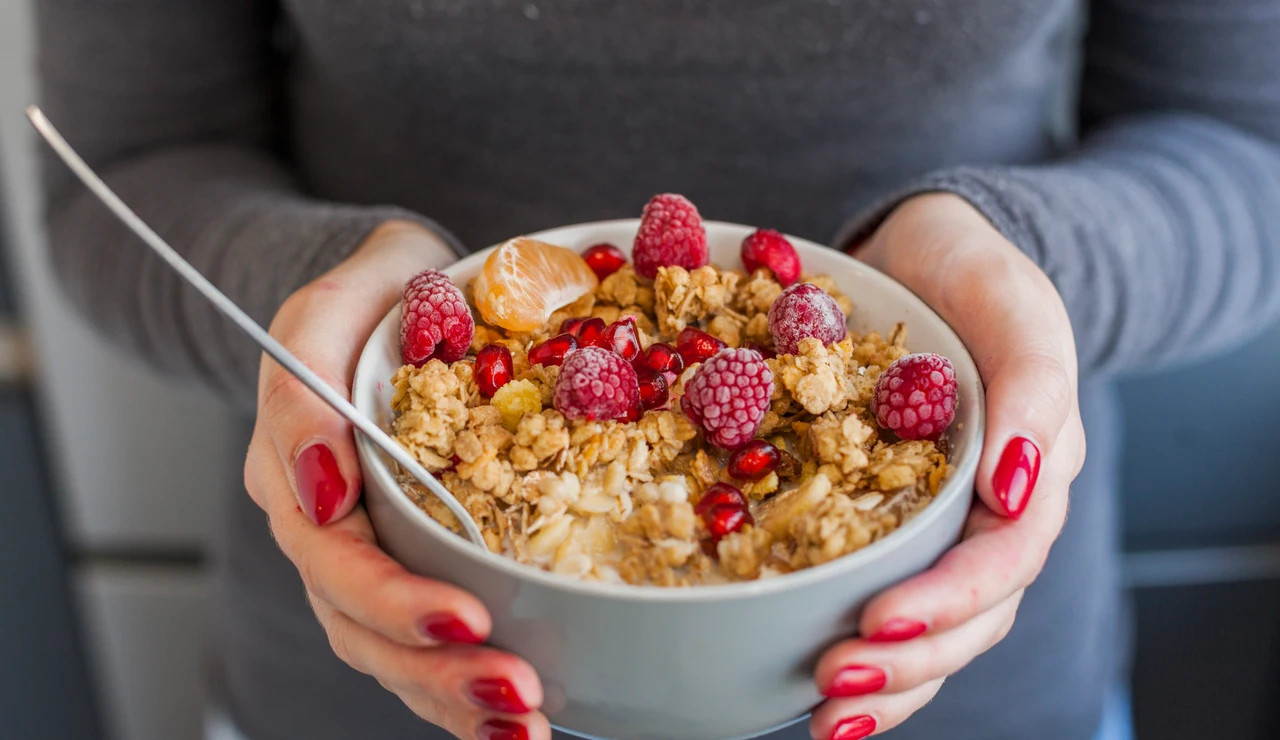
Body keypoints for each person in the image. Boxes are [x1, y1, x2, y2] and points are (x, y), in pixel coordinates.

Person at [34, 1, 1280, 739]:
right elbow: (129, 165)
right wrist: (335, 284)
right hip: (367, 654)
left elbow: (1244, 147)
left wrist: (1018, 260)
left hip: (969, 678)